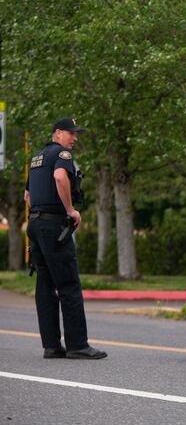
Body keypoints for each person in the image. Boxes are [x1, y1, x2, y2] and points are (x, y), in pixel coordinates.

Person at [24, 117, 107, 360]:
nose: (75, 138)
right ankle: (77, 345)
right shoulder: (62, 156)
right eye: (71, 133)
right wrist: (70, 211)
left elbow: (28, 194)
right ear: (58, 133)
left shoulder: (37, 157)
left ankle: (51, 346)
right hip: (54, 226)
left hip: (36, 224)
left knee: (46, 285)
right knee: (69, 285)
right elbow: (61, 178)